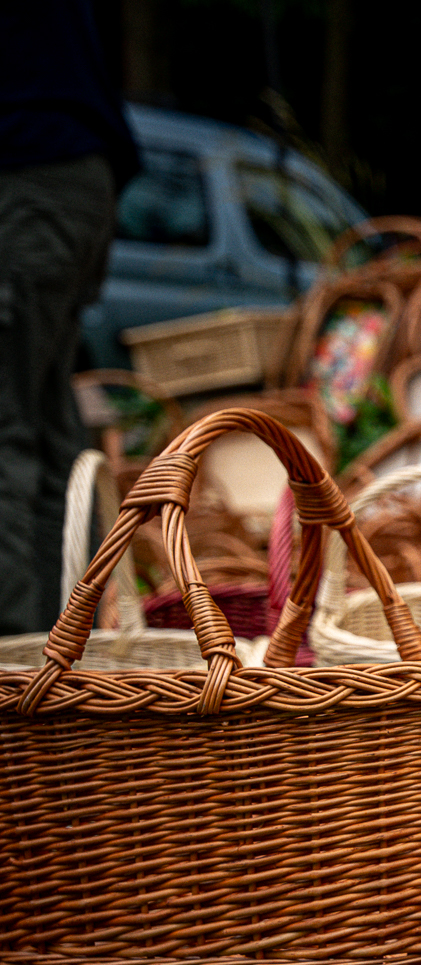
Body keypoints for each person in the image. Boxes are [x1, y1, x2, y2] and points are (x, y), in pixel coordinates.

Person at [0, 1, 138, 634]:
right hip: (81, 173)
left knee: (11, 431)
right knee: (49, 423)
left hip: (28, 169)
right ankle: (60, 653)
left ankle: (19, 669)